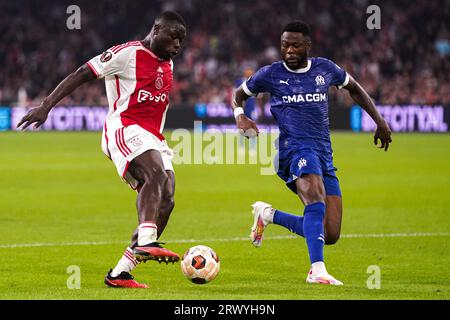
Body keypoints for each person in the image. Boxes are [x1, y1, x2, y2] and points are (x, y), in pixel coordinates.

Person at [17, 11, 187, 288]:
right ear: (156, 30)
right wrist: (46, 106)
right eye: (173, 37)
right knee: (156, 175)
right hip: (124, 128)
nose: (178, 44)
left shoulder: (168, 64)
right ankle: (146, 240)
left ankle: (120, 271)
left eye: (182, 40)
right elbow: (82, 73)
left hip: (154, 137)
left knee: (167, 199)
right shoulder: (126, 54)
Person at [232, 21, 392, 285]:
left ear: (308, 45)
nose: (289, 50)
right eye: (285, 45)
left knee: (329, 233)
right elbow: (238, 95)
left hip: (323, 153)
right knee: (315, 198)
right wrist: (240, 117)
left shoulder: (325, 69)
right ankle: (316, 270)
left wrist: (380, 121)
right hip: (292, 150)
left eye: (295, 45)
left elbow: (354, 87)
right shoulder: (270, 74)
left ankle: (268, 215)